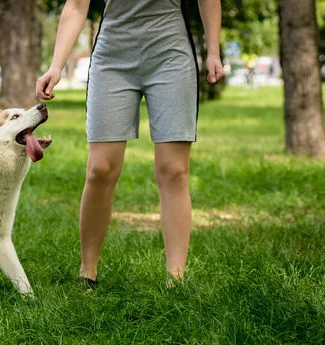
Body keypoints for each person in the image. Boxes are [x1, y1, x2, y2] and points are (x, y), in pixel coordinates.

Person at [36, 0, 224, 286]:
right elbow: (75, 6)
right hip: (112, 59)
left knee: (173, 170)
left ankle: (176, 280)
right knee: (100, 169)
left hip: (171, 55)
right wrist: (56, 65)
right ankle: (88, 272)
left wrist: (213, 51)